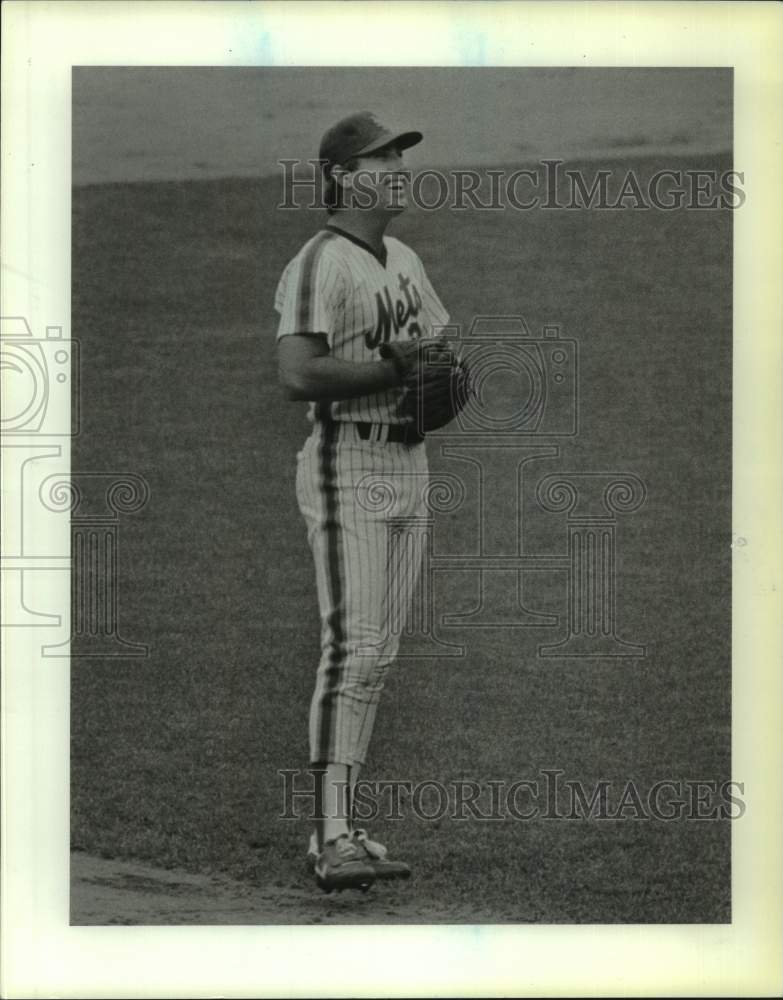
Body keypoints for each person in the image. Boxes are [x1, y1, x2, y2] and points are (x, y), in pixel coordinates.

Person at [273, 111, 450, 893]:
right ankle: (328, 836)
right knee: (353, 648)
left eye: (399, 159)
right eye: (382, 161)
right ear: (344, 177)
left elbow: (433, 349)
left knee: (380, 654)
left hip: (409, 462)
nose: (397, 172)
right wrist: (392, 372)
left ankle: (343, 827)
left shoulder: (403, 257)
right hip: (347, 463)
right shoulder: (319, 262)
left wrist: (439, 377)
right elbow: (297, 374)